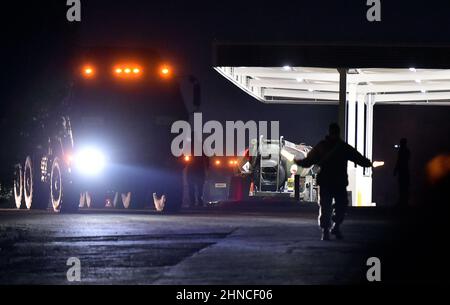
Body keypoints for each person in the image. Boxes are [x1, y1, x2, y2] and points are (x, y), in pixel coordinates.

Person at [295, 123, 372, 241]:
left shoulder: (322, 146)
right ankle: (334, 227)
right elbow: (357, 157)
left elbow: (309, 161)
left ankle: (326, 230)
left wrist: (299, 162)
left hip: (326, 181)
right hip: (338, 182)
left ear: (329, 132)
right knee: (340, 206)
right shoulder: (342, 147)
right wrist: (367, 163)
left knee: (326, 207)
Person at [394, 138, 410, 207]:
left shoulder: (401, 151)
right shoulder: (407, 151)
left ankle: (402, 201)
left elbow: (399, 161)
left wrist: (395, 170)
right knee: (404, 186)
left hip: (402, 171)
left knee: (402, 187)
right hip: (405, 171)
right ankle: (404, 201)